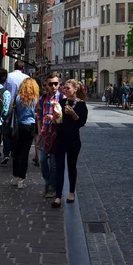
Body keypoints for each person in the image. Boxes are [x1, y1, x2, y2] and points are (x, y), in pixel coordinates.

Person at [52, 80, 88, 208]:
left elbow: (82, 123)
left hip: (73, 140)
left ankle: (71, 192)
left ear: (74, 89)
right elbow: (57, 121)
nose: (65, 90)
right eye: (64, 88)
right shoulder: (61, 103)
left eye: (67, 88)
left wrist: (73, 114)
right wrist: (54, 117)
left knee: (71, 167)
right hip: (60, 138)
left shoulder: (81, 105)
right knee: (59, 167)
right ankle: (57, 196)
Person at [12, 78, 39, 188]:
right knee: (25, 153)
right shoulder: (35, 100)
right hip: (30, 127)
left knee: (16, 151)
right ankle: (21, 179)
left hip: (18, 126)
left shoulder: (18, 98)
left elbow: (13, 111)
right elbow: (37, 114)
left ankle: (16, 174)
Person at [36, 74, 61, 198]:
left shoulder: (62, 98)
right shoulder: (43, 99)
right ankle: (47, 182)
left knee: (54, 163)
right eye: (51, 84)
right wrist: (40, 132)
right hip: (45, 133)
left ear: (59, 84)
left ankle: (52, 188)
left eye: (56, 83)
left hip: (57, 134)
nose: (53, 86)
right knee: (42, 160)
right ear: (46, 85)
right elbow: (39, 117)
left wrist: (56, 118)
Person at [2, 61, 29, 164]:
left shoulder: (8, 77)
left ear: (14, 66)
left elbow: (4, 91)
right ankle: (15, 150)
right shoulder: (26, 78)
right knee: (18, 129)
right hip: (22, 107)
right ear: (23, 68)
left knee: (7, 129)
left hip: (8, 106)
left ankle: (6, 153)